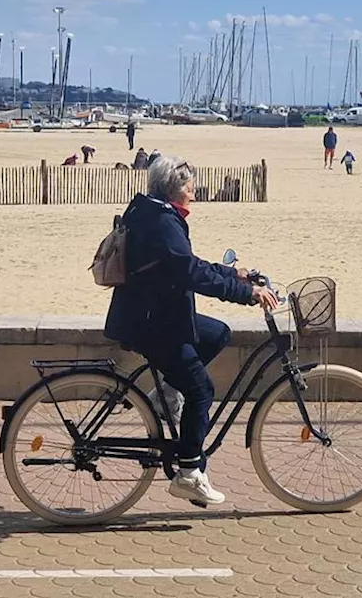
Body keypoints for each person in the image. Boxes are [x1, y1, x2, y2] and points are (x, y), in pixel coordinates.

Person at [104, 156, 278, 506]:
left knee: (217, 334)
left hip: (154, 314)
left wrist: (235, 275)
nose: (194, 194)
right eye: (189, 188)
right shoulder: (163, 223)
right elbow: (190, 273)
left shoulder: (152, 212)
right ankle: (188, 473)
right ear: (172, 189)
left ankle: (166, 393)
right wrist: (247, 293)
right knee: (201, 392)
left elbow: (188, 264)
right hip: (154, 323)